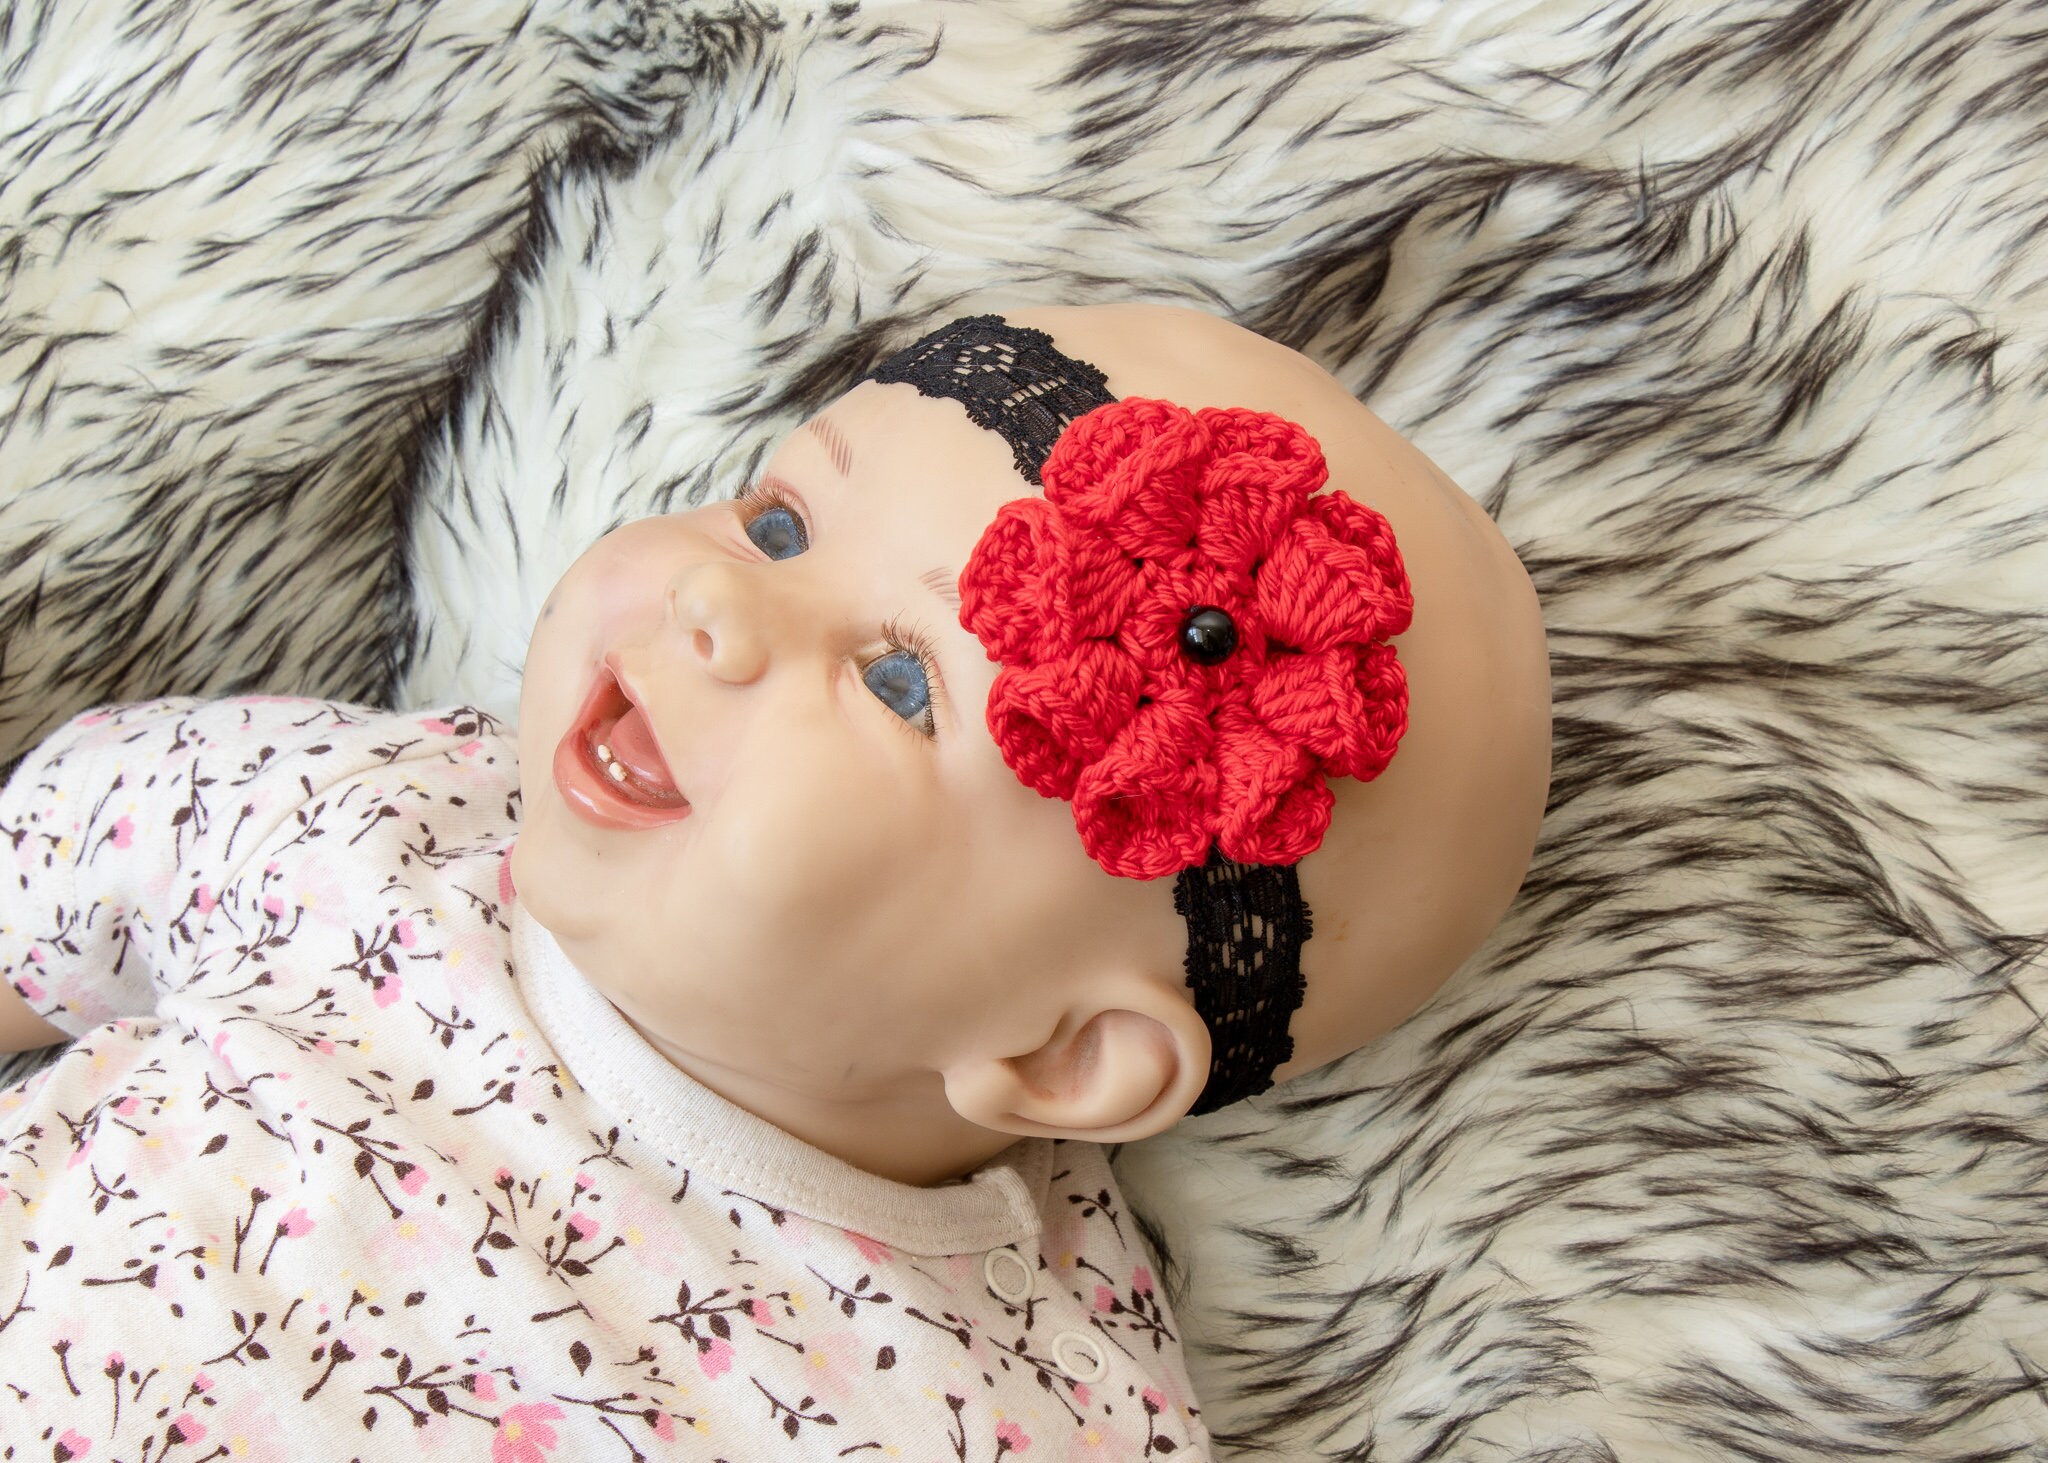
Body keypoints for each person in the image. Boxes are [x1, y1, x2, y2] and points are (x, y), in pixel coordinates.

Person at [0, 304, 1550, 1459]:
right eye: (782, 520)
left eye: (896, 684)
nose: (720, 603)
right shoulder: (375, 818)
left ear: (1066, 1056)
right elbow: (51, 879)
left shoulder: (1014, 1409)